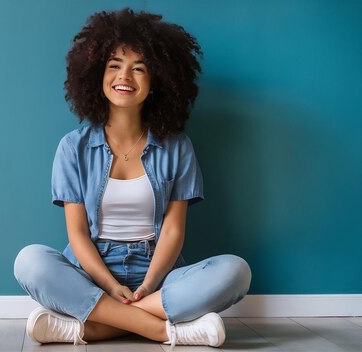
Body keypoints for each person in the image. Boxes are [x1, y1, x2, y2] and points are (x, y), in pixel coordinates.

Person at [13, 7, 251, 349]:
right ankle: (162, 330)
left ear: (156, 82)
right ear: (97, 75)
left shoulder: (178, 147)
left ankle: (92, 325)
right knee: (29, 261)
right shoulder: (72, 148)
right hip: (90, 272)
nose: (125, 76)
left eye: (139, 68)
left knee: (236, 271)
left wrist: (151, 283)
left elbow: (173, 229)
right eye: (114, 65)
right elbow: (77, 234)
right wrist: (109, 286)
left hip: (158, 271)